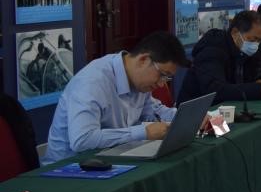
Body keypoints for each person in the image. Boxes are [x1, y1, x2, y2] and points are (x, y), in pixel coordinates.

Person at [43, 31, 188, 163]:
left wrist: (185, 118)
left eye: (167, 78)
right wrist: (143, 132)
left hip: (110, 158)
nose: (162, 84)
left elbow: (153, 111)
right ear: (143, 60)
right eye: (162, 75)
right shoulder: (92, 82)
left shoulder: (139, 82)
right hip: (68, 168)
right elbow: (82, 140)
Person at [179, 11, 261, 105]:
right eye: (253, 39)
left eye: (259, 40)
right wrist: (256, 90)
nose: (255, 44)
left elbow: (250, 77)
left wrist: (258, 81)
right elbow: (215, 89)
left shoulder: (244, 51)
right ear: (235, 32)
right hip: (199, 110)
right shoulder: (212, 51)